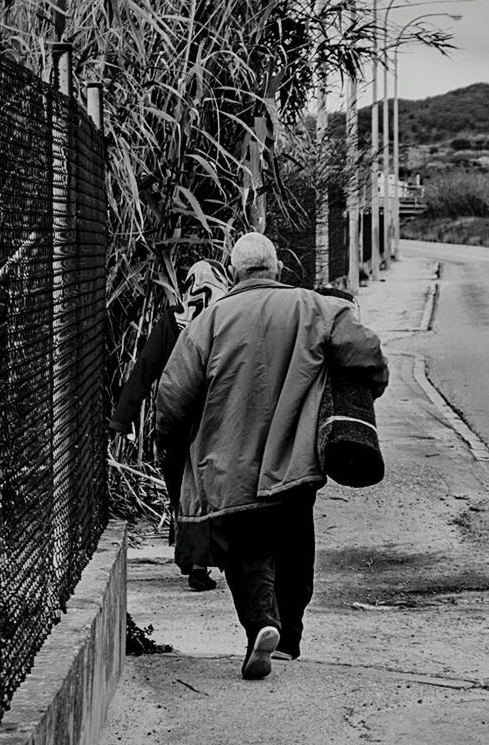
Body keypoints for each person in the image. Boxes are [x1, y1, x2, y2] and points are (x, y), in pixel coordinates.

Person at [155, 232, 389, 680]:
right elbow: (369, 355)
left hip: (228, 462)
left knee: (247, 550)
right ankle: (291, 637)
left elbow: (172, 396)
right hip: (297, 457)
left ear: (234, 269)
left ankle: (262, 624)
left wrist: (169, 441)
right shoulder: (316, 307)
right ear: (277, 268)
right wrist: (360, 396)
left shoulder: (209, 321)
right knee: (296, 541)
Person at [108, 259, 231, 591]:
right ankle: (200, 562)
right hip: (217, 420)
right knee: (208, 486)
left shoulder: (174, 318)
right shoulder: (230, 316)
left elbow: (146, 367)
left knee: (179, 485)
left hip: (175, 416)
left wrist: (123, 417)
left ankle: (188, 555)